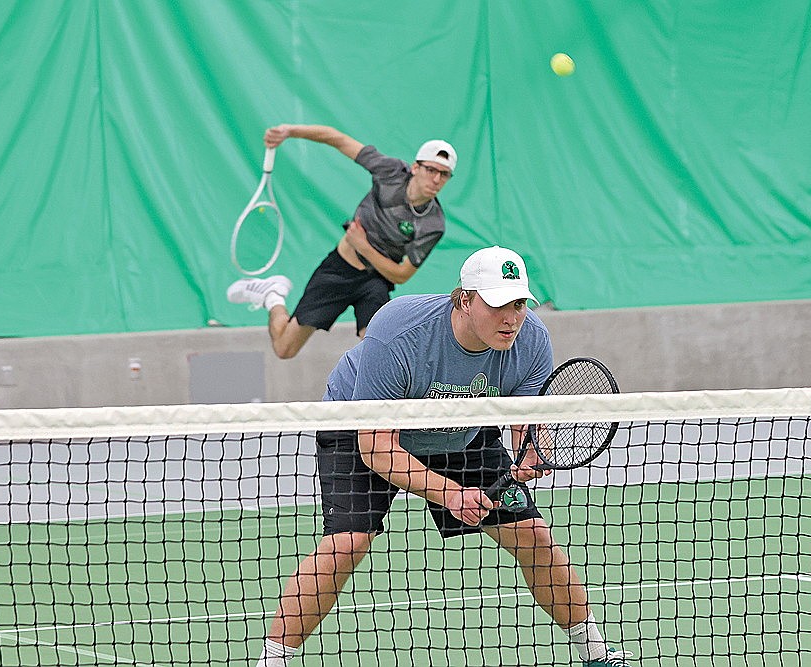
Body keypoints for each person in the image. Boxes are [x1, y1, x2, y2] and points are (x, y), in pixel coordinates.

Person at [254, 246, 634, 667]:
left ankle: (596, 653)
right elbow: (377, 448)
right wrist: (451, 495)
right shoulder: (400, 330)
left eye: (519, 303)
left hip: (462, 430)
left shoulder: (532, 341)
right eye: (497, 305)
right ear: (465, 299)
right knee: (348, 543)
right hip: (362, 427)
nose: (511, 318)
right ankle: (273, 660)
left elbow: (525, 421)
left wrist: (532, 453)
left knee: (535, 536)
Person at [227, 124, 457, 359]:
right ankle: (272, 296)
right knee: (285, 349)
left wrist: (363, 246)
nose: (436, 179)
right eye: (431, 170)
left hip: (375, 281)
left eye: (444, 174)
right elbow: (337, 139)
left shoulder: (433, 224)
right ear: (416, 167)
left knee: (378, 347)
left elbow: (401, 275)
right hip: (338, 269)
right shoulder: (390, 172)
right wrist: (290, 131)